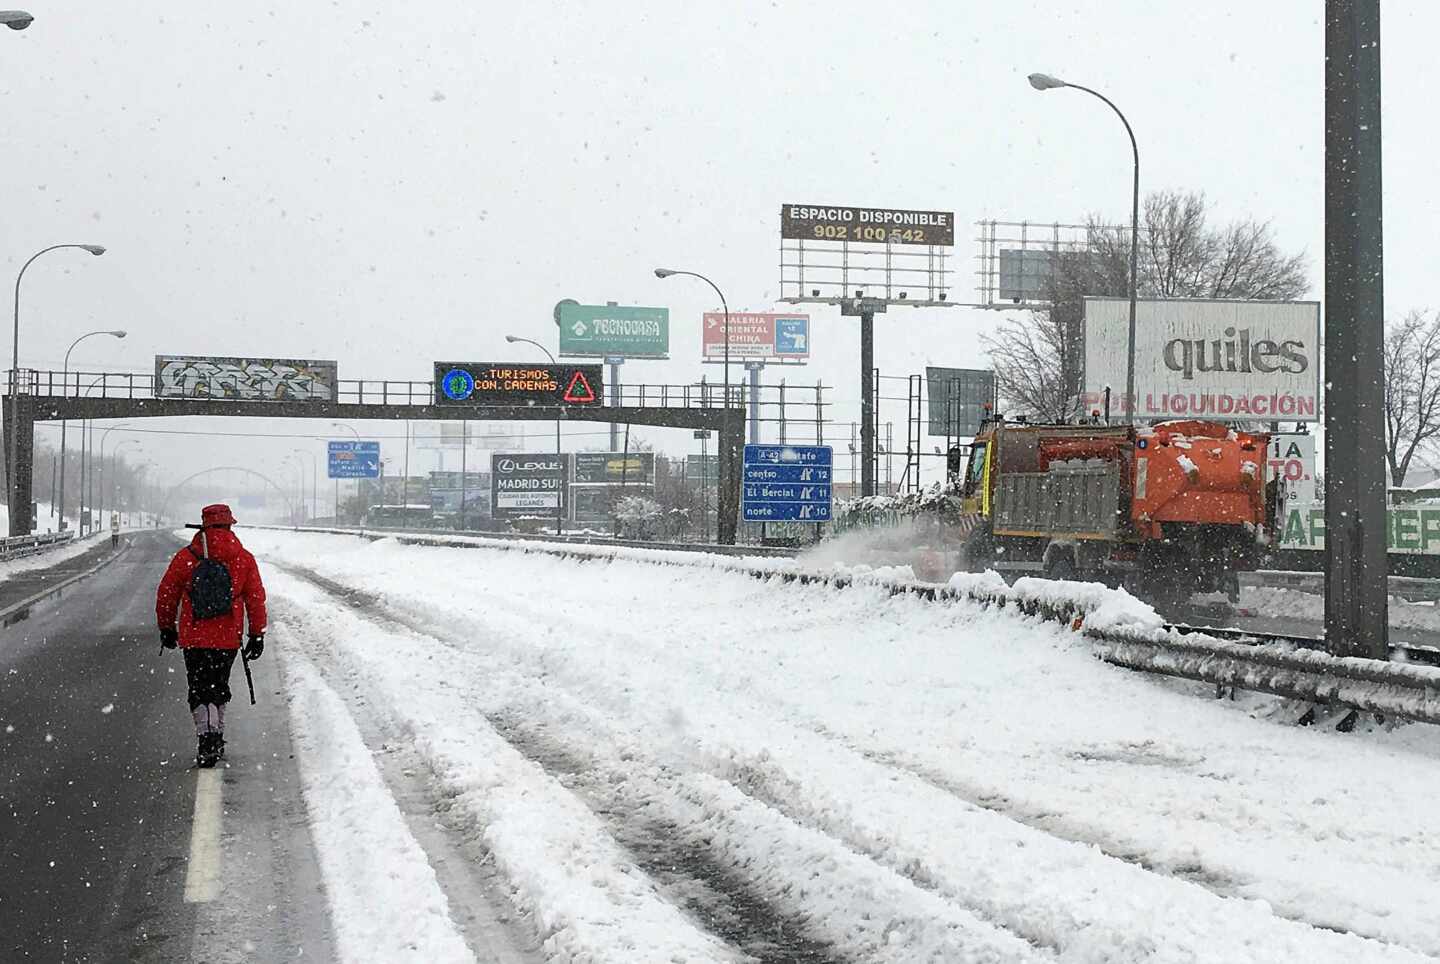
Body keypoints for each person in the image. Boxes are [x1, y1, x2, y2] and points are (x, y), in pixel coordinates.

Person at [155, 503, 267, 768]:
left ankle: (205, 737)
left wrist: (167, 627)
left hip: (194, 637)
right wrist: (256, 634)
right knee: (219, 686)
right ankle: (217, 734)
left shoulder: (187, 557)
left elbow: (167, 593)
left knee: (198, 688)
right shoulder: (243, 558)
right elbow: (256, 597)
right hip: (227, 637)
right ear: (230, 525)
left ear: (203, 524)